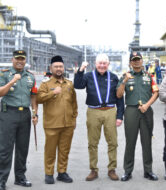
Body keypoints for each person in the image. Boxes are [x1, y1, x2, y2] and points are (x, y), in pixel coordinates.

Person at [74, 54, 124, 181]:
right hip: (93, 112)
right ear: (95, 64)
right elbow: (78, 85)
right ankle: (93, 170)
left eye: (104, 63)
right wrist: (80, 70)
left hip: (110, 111)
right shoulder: (88, 76)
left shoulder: (113, 77)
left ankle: (111, 169)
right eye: (100, 63)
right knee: (92, 143)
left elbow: (119, 97)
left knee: (112, 142)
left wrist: (119, 116)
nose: (102, 65)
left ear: (108, 64)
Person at [117, 51, 159, 182]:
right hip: (131, 111)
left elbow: (156, 93)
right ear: (130, 62)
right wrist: (124, 81)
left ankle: (148, 170)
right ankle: (127, 171)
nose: (136, 61)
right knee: (130, 142)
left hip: (146, 110)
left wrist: (147, 105)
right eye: (133, 59)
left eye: (138, 59)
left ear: (142, 61)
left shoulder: (150, 76)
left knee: (147, 142)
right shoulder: (125, 76)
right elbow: (119, 95)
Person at [0, 50, 38, 190]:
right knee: (5, 149)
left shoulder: (30, 77)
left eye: (22, 59)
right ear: (12, 60)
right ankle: (1, 180)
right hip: (8, 113)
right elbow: (0, 92)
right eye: (17, 59)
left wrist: (35, 113)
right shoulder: (4, 74)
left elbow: (33, 96)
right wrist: (13, 81)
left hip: (25, 115)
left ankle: (20, 177)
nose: (20, 61)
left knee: (22, 148)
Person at [37, 56, 78, 184]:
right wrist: (53, 93)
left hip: (68, 124)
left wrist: (74, 117)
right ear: (51, 68)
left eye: (61, 66)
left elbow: (74, 103)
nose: (59, 69)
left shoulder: (69, 84)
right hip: (52, 124)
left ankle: (62, 172)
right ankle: (49, 173)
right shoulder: (46, 84)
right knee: (50, 150)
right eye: (56, 67)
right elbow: (38, 99)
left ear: (63, 68)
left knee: (64, 149)